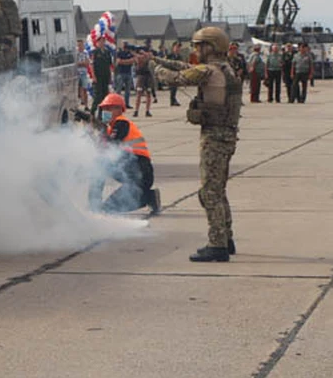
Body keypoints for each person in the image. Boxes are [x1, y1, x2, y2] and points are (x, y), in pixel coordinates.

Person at [151, 26, 242, 262]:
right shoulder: (224, 68)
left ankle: (217, 245)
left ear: (211, 47)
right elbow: (188, 68)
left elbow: (177, 78)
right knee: (219, 191)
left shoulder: (210, 71)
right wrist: (155, 58)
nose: (196, 50)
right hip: (226, 136)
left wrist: (155, 68)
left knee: (209, 193)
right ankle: (226, 238)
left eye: (199, 46)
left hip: (214, 137)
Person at [88, 93, 161, 215]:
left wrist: (101, 131)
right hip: (136, 173)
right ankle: (150, 197)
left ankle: (93, 205)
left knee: (100, 168)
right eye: (104, 109)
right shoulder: (112, 127)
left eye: (109, 108)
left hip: (139, 171)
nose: (105, 112)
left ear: (119, 109)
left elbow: (111, 146)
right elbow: (104, 148)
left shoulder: (121, 123)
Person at [89, 37, 114, 116]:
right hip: (98, 77)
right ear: (97, 43)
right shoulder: (95, 52)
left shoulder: (107, 52)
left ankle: (101, 113)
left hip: (105, 76)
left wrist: (110, 77)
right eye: (100, 41)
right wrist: (93, 76)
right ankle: (92, 112)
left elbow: (109, 66)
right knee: (98, 97)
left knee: (105, 96)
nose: (102, 43)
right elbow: (91, 65)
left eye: (103, 41)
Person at [132, 48, 154, 117]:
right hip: (140, 76)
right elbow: (138, 61)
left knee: (148, 93)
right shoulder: (137, 58)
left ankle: (147, 110)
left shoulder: (147, 56)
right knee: (139, 94)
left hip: (148, 76)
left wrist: (144, 53)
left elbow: (150, 56)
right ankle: (136, 110)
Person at [114, 41, 135, 108]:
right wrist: (127, 62)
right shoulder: (119, 53)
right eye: (124, 45)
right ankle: (117, 104)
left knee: (127, 91)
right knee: (119, 90)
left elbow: (132, 61)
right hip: (121, 73)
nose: (125, 46)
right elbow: (118, 62)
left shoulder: (130, 53)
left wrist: (124, 62)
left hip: (128, 73)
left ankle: (126, 104)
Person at [166, 41, 183, 106]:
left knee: (175, 87)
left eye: (179, 47)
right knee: (172, 87)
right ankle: (172, 100)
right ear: (173, 48)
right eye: (176, 47)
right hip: (170, 73)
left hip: (177, 73)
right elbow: (165, 63)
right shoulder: (169, 56)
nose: (177, 49)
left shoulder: (179, 56)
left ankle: (173, 99)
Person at [76, 40, 91, 108]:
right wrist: (82, 63)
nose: (80, 47)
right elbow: (75, 64)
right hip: (76, 74)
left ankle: (86, 106)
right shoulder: (76, 53)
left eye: (81, 45)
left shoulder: (86, 53)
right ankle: (77, 106)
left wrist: (80, 64)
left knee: (85, 89)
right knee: (77, 91)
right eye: (78, 45)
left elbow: (87, 63)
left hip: (84, 73)